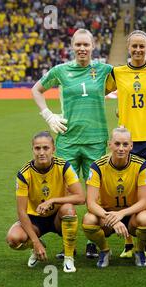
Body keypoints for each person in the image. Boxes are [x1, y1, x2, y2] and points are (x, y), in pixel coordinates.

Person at [32, 28, 113, 259]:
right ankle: (68, 244)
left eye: (86, 44)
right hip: (67, 140)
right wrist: (48, 115)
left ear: (93, 46)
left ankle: (93, 242)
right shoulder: (61, 71)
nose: (82, 48)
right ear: (72, 46)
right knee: (64, 193)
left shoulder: (104, 69)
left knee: (94, 196)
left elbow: (130, 78)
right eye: (78, 44)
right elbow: (36, 90)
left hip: (96, 141)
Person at [106, 30, 146, 259]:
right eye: (134, 46)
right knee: (129, 190)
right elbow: (99, 91)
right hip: (127, 140)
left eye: (142, 46)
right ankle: (128, 243)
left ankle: (145, 241)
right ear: (128, 48)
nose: (138, 50)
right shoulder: (118, 72)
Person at [6, 131, 85, 273]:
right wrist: (35, 242)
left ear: (53, 149)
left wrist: (53, 200)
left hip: (57, 217)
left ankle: (68, 258)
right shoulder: (24, 173)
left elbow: (80, 197)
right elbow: (21, 211)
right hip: (34, 220)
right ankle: (36, 245)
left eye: (45, 148)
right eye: (37, 148)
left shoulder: (64, 166)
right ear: (32, 149)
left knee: (68, 209)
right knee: (13, 239)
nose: (41, 152)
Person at [82, 127, 146, 268]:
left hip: (133, 214)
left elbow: (144, 201)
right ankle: (105, 250)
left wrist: (121, 214)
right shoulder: (97, 166)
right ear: (110, 144)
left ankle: (139, 250)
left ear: (131, 146)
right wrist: (113, 219)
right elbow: (90, 203)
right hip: (107, 216)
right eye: (117, 144)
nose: (121, 148)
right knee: (89, 220)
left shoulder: (141, 165)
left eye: (125, 144)